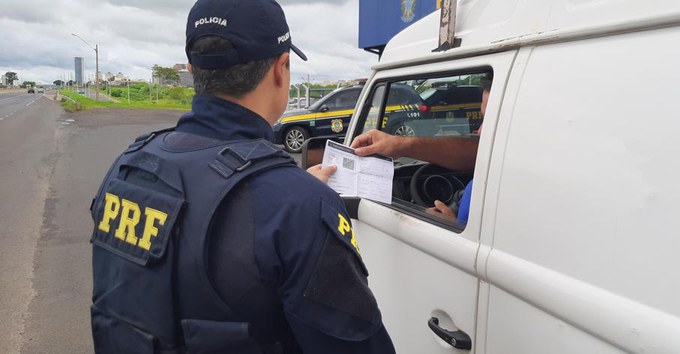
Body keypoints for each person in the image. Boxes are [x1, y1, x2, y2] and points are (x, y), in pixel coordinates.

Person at [89, 0, 395, 353]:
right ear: (282, 68)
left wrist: (294, 193)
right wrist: (299, 199)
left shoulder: (129, 165)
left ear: (192, 68)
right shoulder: (299, 207)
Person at [351, 75, 492, 224]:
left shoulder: (493, 188)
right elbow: (473, 154)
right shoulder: (492, 170)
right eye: (483, 119)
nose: (479, 131)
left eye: (491, 120)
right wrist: (400, 145)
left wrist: (450, 223)